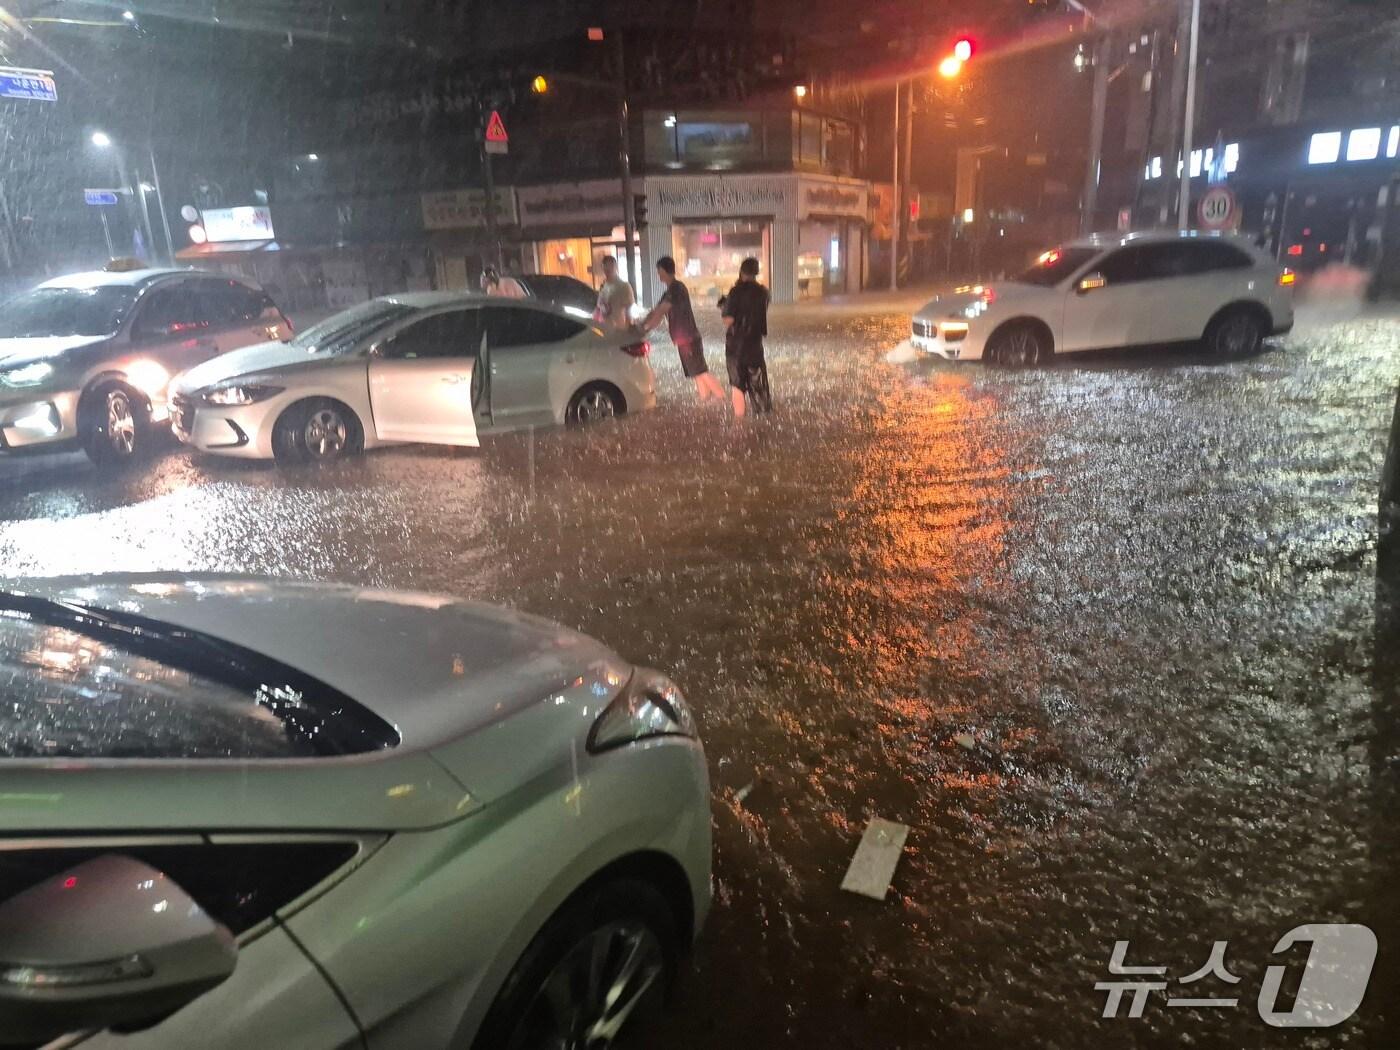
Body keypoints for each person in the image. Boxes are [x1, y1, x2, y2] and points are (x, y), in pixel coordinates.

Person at [641, 256, 727, 403]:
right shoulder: (669, 291)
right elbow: (655, 312)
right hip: (684, 339)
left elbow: (660, 311)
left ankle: (723, 399)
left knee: (701, 372)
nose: (658, 274)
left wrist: (643, 328)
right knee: (696, 373)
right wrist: (642, 326)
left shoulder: (677, 288)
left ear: (665, 270)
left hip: (689, 338)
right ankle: (705, 401)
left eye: (659, 271)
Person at [720, 256, 772, 417]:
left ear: (741, 271)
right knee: (758, 387)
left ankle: (739, 424)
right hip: (755, 346)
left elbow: (728, 320)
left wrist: (724, 306)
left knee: (738, 387)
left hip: (736, 348)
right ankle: (764, 422)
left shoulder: (735, 292)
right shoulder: (764, 292)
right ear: (756, 272)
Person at [593, 255, 635, 331]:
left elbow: (629, 310)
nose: (607, 269)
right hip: (604, 329)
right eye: (605, 266)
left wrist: (627, 329)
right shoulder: (604, 286)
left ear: (615, 267)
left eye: (610, 266)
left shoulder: (624, 286)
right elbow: (600, 307)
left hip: (619, 330)